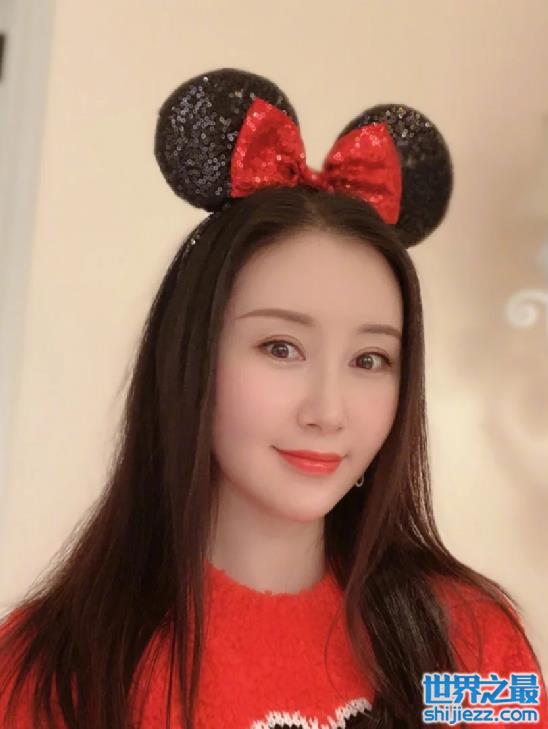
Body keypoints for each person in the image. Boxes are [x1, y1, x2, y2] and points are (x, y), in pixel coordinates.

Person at [0, 68, 545, 729]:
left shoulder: (468, 646)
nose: (328, 411)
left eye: (370, 359)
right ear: (191, 356)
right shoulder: (54, 670)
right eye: (281, 347)